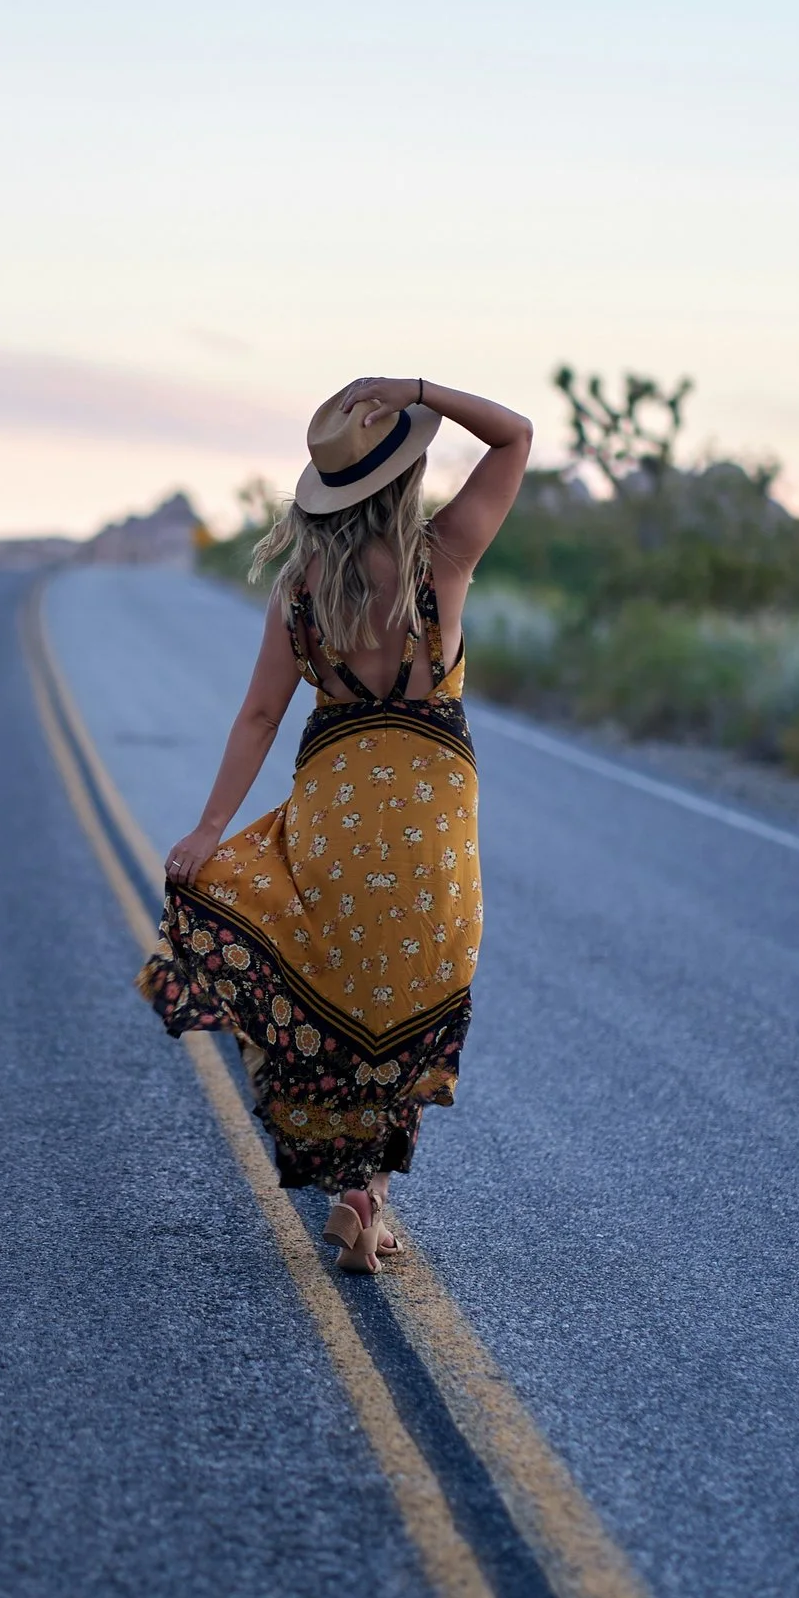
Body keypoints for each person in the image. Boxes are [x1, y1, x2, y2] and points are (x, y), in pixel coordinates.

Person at [137, 376, 533, 1273]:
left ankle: (354, 1190)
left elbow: (258, 717)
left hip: (336, 810)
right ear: (407, 477)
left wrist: (208, 831)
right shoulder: (447, 560)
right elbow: (515, 438)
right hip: (433, 817)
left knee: (331, 986)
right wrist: (422, 388)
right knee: (409, 993)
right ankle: (372, 1199)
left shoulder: (302, 589)